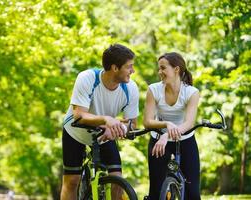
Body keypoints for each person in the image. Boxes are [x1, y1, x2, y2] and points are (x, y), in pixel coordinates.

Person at [60, 44, 139, 200]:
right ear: (115, 68)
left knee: (118, 179)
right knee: (72, 181)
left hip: (104, 135)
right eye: (129, 67)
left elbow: (132, 125)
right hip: (75, 132)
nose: (133, 71)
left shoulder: (131, 89)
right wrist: (107, 120)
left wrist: (119, 128)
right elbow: (79, 115)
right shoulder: (87, 78)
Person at [143, 52, 200, 199]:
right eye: (159, 68)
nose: (159, 72)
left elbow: (189, 123)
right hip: (158, 141)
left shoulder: (191, 92)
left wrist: (167, 134)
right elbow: (147, 121)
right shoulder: (154, 89)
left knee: (192, 192)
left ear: (177, 69)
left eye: (163, 68)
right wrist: (166, 125)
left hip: (185, 140)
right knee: (156, 191)